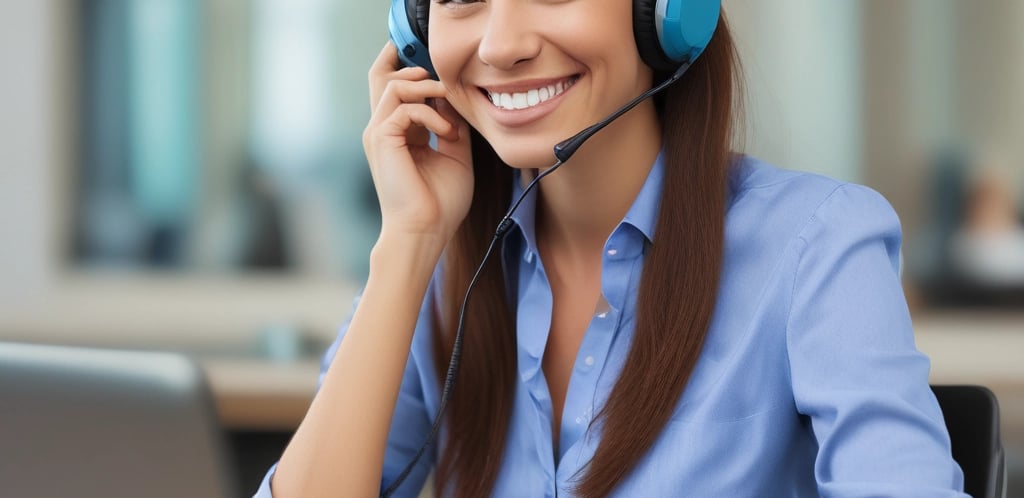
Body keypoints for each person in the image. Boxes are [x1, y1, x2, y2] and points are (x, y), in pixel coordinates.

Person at [257, 1, 967, 496]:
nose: (502, 44)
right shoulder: (446, 270)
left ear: (665, 12)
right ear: (415, 29)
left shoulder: (817, 248)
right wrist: (407, 244)